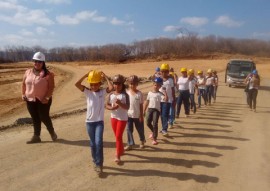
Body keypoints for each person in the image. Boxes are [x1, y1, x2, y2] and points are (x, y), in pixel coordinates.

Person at [75, 70, 113, 175]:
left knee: (98, 143)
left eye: (95, 84)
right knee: (92, 144)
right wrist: (85, 75)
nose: (93, 86)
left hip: (99, 122)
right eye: (91, 84)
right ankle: (95, 160)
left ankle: (99, 164)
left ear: (99, 84)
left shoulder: (102, 92)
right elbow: (77, 84)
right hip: (89, 123)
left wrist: (105, 76)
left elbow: (111, 88)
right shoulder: (87, 92)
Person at [22, 52, 57, 144]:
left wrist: (47, 97)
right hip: (30, 99)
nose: (37, 63)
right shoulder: (27, 72)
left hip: (43, 99)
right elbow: (23, 84)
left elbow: (51, 87)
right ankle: (36, 136)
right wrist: (23, 94)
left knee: (44, 117)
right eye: (35, 61)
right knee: (35, 117)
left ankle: (52, 132)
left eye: (39, 62)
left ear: (43, 63)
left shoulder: (48, 74)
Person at [106, 74, 129, 163]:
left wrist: (120, 104)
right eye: (115, 83)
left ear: (122, 84)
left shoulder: (125, 95)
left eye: (119, 84)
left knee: (118, 136)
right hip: (113, 117)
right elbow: (107, 105)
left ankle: (118, 155)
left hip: (122, 118)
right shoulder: (111, 94)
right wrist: (112, 108)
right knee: (117, 136)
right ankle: (121, 150)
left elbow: (127, 107)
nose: (116, 85)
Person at [143, 77, 167, 145]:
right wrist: (144, 110)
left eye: (158, 85)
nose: (156, 86)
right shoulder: (150, 93)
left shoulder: (160, 94)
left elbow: (165, 100)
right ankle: (153, 132)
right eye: (155, 85)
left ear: (160, 86)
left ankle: (154, 138)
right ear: (153, 84)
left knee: (155, 124)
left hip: (156, 110)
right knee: (147, 122)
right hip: (150, 109)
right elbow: (147, 102)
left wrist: (165, 92)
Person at [124, 75, 146, 151]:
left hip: (137, 115)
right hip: (129, 115)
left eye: (134, 84)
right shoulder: (126, 93)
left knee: (140, 129)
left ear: (137, 84)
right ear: (128, 84)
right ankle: (130, 144)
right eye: (131, 84)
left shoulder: (139, 94)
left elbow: (141, 105)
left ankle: (142, 140)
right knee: (129, 130)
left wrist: (141, 115)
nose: (132, 85)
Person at [159, 63, 175, 135]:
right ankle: (163, 127)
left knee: (164, 114)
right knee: (161, 115)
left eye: (165, 71)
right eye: (162, 71)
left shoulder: (170, 80)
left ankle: (165, 129)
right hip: (159, 100)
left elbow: (172, 90)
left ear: (168, 72)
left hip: (167, 100)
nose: (164, 73)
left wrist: (173, 99)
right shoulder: (159, 79)